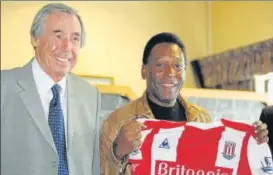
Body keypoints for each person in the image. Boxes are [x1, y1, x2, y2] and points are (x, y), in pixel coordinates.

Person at [100, 32, 269, 174]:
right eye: (160, 65)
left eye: (177, 66)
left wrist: (252, 141)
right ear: (144, 71)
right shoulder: (117, 122)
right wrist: (118, 152)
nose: (170, 72)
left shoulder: (202, 119)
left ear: (185, 73)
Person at [1, 3, 100, 175]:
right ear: (35, 38)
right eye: (58, 35)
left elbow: (94, 165)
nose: (67, 47)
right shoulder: (4, 86)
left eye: (75, 38)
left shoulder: (91, 95)